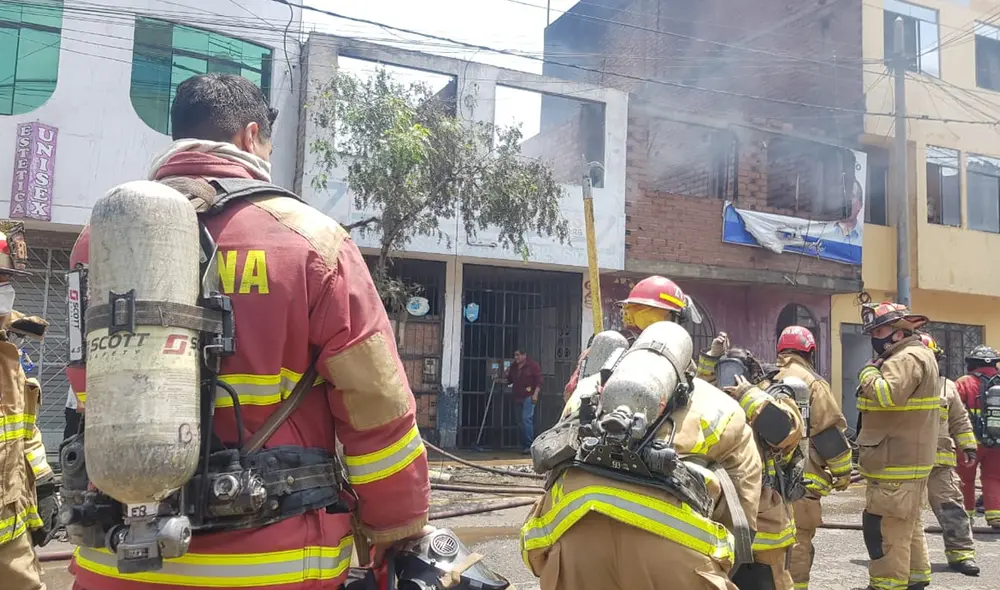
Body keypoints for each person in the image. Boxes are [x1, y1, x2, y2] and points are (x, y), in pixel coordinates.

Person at [65, 73, 431, 590]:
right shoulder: (310, 240)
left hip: (118, 559)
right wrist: (397, 525)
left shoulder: (98, 242)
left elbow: (86, 383)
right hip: (272, 564)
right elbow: (376, 407)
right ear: (250, 136)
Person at [521, 275, 762, 590]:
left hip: (577, 552)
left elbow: (554, 470)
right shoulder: (722, 408)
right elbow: (742, 513)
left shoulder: (586, 391)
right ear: (682, 328)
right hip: (678, 564)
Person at [699, 344, 804, 590]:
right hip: (722, 514)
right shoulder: (716, 402)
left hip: (765, 520)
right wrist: (710, 358)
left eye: (733, 371)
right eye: (722, 371)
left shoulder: (775, 397)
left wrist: (749, 395)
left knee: (768, 582)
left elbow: (784, 432)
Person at [856, 301, 939, 590]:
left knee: (887, 530)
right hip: (907, 458)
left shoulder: (905, 359)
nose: (874, 339)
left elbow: (887, 395)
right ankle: (916, 578)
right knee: (908, 525)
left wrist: (867, 374)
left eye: (879, 331)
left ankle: (887, 585)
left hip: (896, 462)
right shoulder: (917, 355)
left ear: (899, 334)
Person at [771, 326, 852, 590]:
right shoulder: (813, 382)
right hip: (803, 483)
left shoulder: (765, 378)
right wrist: (842, 472)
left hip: (764, 483)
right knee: (798, 544)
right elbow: (828, 432)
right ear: (810, 351)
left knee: (766, 544)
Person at [0, 225, 51, 590]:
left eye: (7, 278)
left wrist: (45, 484)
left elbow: (23, 429)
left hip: (11, 536)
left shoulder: (9, 348)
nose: (6, 288)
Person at [919, 333, 979, 576]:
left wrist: (968, 446)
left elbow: (960, 420)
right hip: (903, 462)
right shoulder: (900, 384)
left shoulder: (948, 387)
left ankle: (961, 555)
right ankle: (900, 560)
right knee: (899, 515)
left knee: (952, 509)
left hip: (939, 465)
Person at [955, 345, 1000, 529]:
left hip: (969, 442)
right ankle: (996, 515)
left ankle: (966, 517)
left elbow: (952, 408)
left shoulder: (964, 382)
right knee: (993, 478)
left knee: (965, 479)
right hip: (997, 442)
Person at [505, 349, 543, 453]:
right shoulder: (514, 366)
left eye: (518, 355)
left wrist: (535, 395)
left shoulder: (533, 366)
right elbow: (509, 380)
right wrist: (500, 377)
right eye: (515, 355)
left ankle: (529, 445)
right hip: (518, 396)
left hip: (529, 396)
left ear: (524, 355)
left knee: (526, 419)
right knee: (519, 421)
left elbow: (539, 382)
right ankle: (526, 443)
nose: (516, 357)